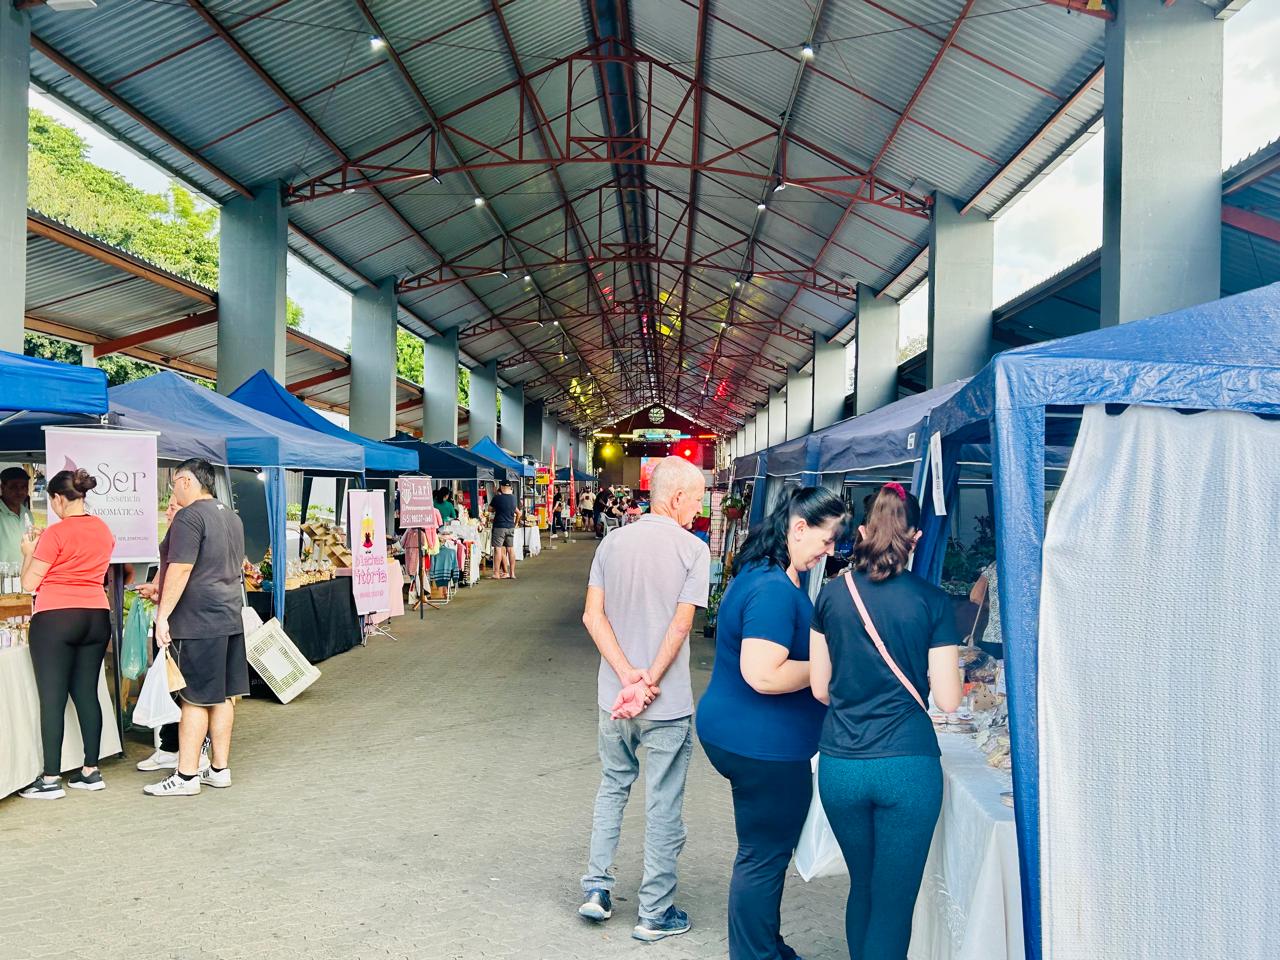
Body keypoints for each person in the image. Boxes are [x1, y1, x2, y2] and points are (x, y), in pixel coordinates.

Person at [809, 483, 962, 960]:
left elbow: (819, 688)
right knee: (894, 905)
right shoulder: (934, 603)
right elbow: (951, 699)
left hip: (842, 765)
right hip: (908, 768)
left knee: (865, 888)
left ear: (862, 531)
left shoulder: (832, 597)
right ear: (915, 536)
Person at [696, 487, 848, 959]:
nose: (830, 551)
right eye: (826, 540)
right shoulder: (772, 590)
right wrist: (829, 666)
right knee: (763, 857)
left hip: (749, 736)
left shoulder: (763, 574)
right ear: (798, 528)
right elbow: (762, 673)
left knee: (762, 854)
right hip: (762, 745)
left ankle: (763, 945)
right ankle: (755, 954)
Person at [578, 457, 709, 943]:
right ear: (676, 498)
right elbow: (680, 625)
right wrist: (650, 679)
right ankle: (654, 912)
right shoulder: (693, 550)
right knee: (663, 802)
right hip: (666, 704)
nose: (699, 508)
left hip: (613, 699)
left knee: (612, 786)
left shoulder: (612, 542)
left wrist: (625, 675)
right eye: (696, 498)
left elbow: (593, 617)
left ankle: (596, 888)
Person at [144, 459, 248, 798]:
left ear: (187, 481)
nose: (172, 490)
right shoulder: (231, 516)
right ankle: (219, 769)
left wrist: (163, 616)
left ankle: (186, 775)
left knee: (194, 699)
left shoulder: (190, 516)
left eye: (175, 482)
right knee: (222, 697)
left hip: (199, 621)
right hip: (230, 615)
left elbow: (181, 569)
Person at [17, 469, 116, 800]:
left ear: (59, 498)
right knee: (87, 692)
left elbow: (29, 584)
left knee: (53, 698)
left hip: (56, 617)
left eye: (52, 501)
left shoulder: (56, 534)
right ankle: (91, 770)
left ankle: (50, 778)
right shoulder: (103, 530)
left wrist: (28, 550)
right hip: (96, 615)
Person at [0, 466, 33, 569]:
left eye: (24, 487)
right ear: (2, 488)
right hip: (2, 577)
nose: (19, 491)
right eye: (13, 487)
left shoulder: (27, 513)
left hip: (23, 577)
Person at [969, 559, 1002, 659]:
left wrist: (993, 606)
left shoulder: (995, 565)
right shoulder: (1035, 562)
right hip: (1027, 638)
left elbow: (975, 596)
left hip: (993, 636)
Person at [489, 481, 520, 580]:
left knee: (498, 549)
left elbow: (489, 509)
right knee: (510, 549)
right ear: (510, 487)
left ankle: (497, 573)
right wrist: (515, 524)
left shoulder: (497, 498)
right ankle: (512, 573)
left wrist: (497, 509)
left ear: (501, 487)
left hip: (499, 526)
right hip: (510, 526)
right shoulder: (514, 498)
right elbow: (519, 513)